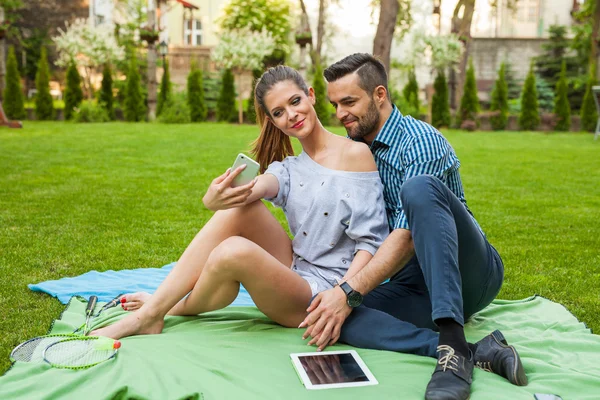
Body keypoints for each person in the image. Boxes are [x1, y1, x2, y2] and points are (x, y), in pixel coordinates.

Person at [91, 66, 389, 343]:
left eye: (295, 101)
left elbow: (370, 241)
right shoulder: (288, 168)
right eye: (279, 112)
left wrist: (344, 298)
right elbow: (254, 189)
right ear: (273, 121)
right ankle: (156, 310)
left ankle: (157, 311)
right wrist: (214, 199)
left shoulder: (355, 154)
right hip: (296, 269)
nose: (292, 115)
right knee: (237, 209)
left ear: (310, 95)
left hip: (321, 295)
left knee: (231, 251)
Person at [297, 53, 527, 400]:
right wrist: (340, 297)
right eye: (335, 104)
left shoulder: (420, 141)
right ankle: (472, 350)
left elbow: (405, 239)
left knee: (418, 189)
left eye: (349, 101)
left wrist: (348, 291)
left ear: (379, 95)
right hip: (415, 281)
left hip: (468, 271)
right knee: (334, 317)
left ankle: (451, 352)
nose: (341, 113)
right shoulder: (355, 152)